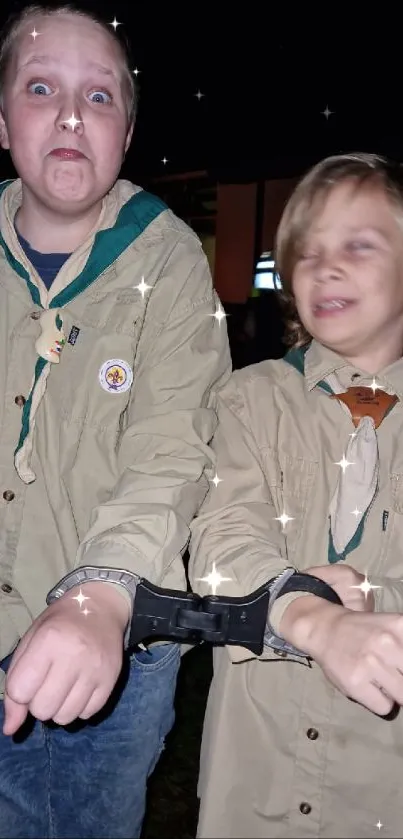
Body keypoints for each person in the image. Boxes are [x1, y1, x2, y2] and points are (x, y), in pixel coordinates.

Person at [0, 3, 231, 838]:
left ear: (126, 136)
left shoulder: (167, 260)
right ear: (1, 122)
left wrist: (100, 596)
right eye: (40, 87)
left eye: (99, 97)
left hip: (118, 652)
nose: (69, 114)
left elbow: (177, 444)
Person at [189, 152, 403, 838]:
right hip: (255, 783)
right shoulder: (249, 400)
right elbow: (218, 546)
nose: (323, 267)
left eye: (357, 245)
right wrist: (312, 611)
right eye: (304, 252)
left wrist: (370, 602)